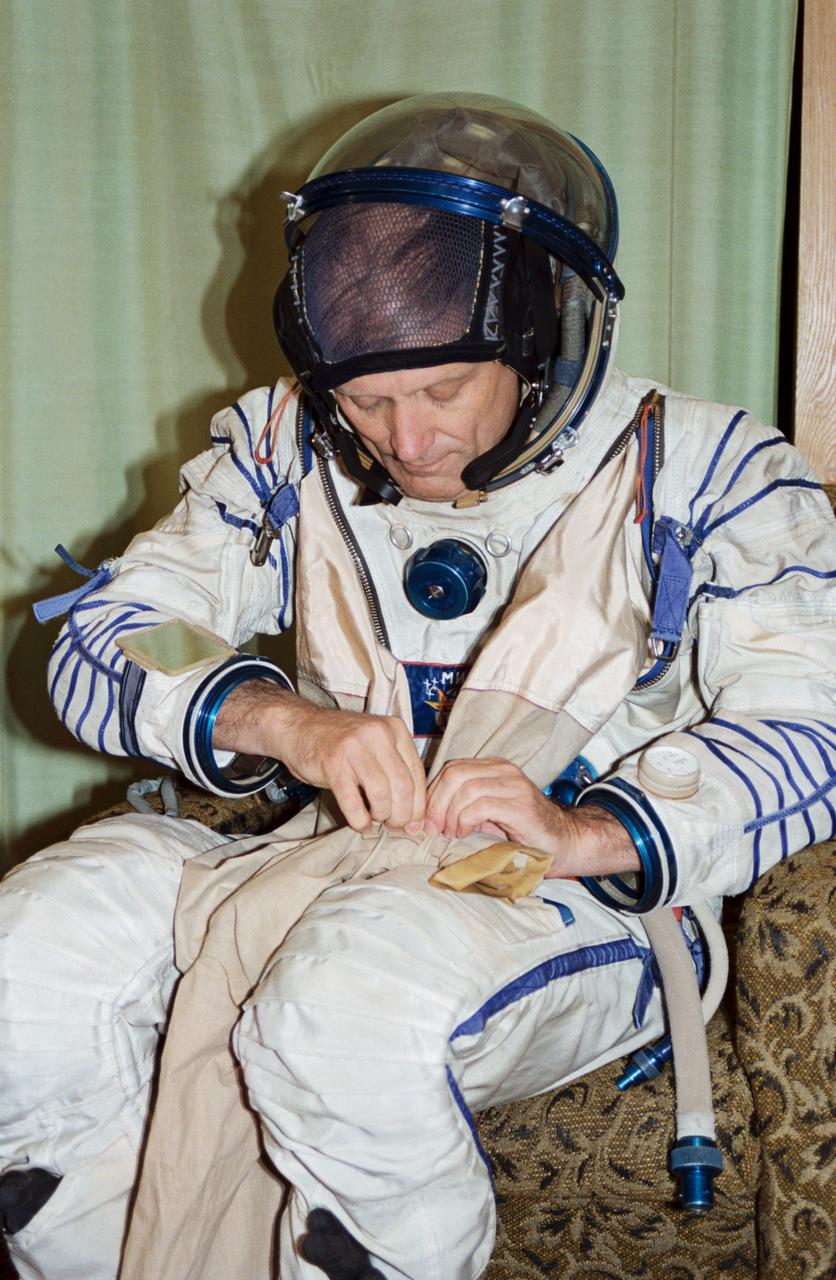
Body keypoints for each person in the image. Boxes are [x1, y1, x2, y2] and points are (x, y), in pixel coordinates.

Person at [1, 92, 833, 1280]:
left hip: (587, 893)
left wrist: (586, 830)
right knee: (29, 956)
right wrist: (280, 720)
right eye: (366, 400)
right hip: (326, 849)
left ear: (545, 337)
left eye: (443, 391)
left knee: (344, 1006)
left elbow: (808, 721)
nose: (406, 440)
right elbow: (117, 634)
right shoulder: (285, 445)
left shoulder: (704, 470)